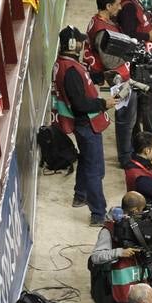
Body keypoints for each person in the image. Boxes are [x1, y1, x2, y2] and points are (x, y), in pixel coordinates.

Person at [52, 25, 116, 226]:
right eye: (79, 40)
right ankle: (98, 214)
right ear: (72, 44)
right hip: (85, 123)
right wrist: (103, 103)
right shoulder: (70, 71)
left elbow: (83, 81)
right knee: (95, 170)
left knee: (87, 161)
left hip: (83, 124)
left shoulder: (67, 63)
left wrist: (100, 76)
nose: (82, 44)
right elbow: (80, 104)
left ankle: (80, 195)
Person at [85, 0, 137, 168]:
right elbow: (109, 61)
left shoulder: (102, 21)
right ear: (108, 6)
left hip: (122, 73)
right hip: (117, 77)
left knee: (130, 113)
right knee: (125, 116)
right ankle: (125, 158)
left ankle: (130, 151)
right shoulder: (101, 32)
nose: (120, 7)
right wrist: (131, 55)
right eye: (117, 4)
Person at [117, 0, 152, 137]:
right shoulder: (128, 6)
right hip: (138, 65)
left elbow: (139, 27)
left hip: (144, 61)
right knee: (149, 104)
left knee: (145, 106)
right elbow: (128, 35)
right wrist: (148, 37)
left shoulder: (134, 2)